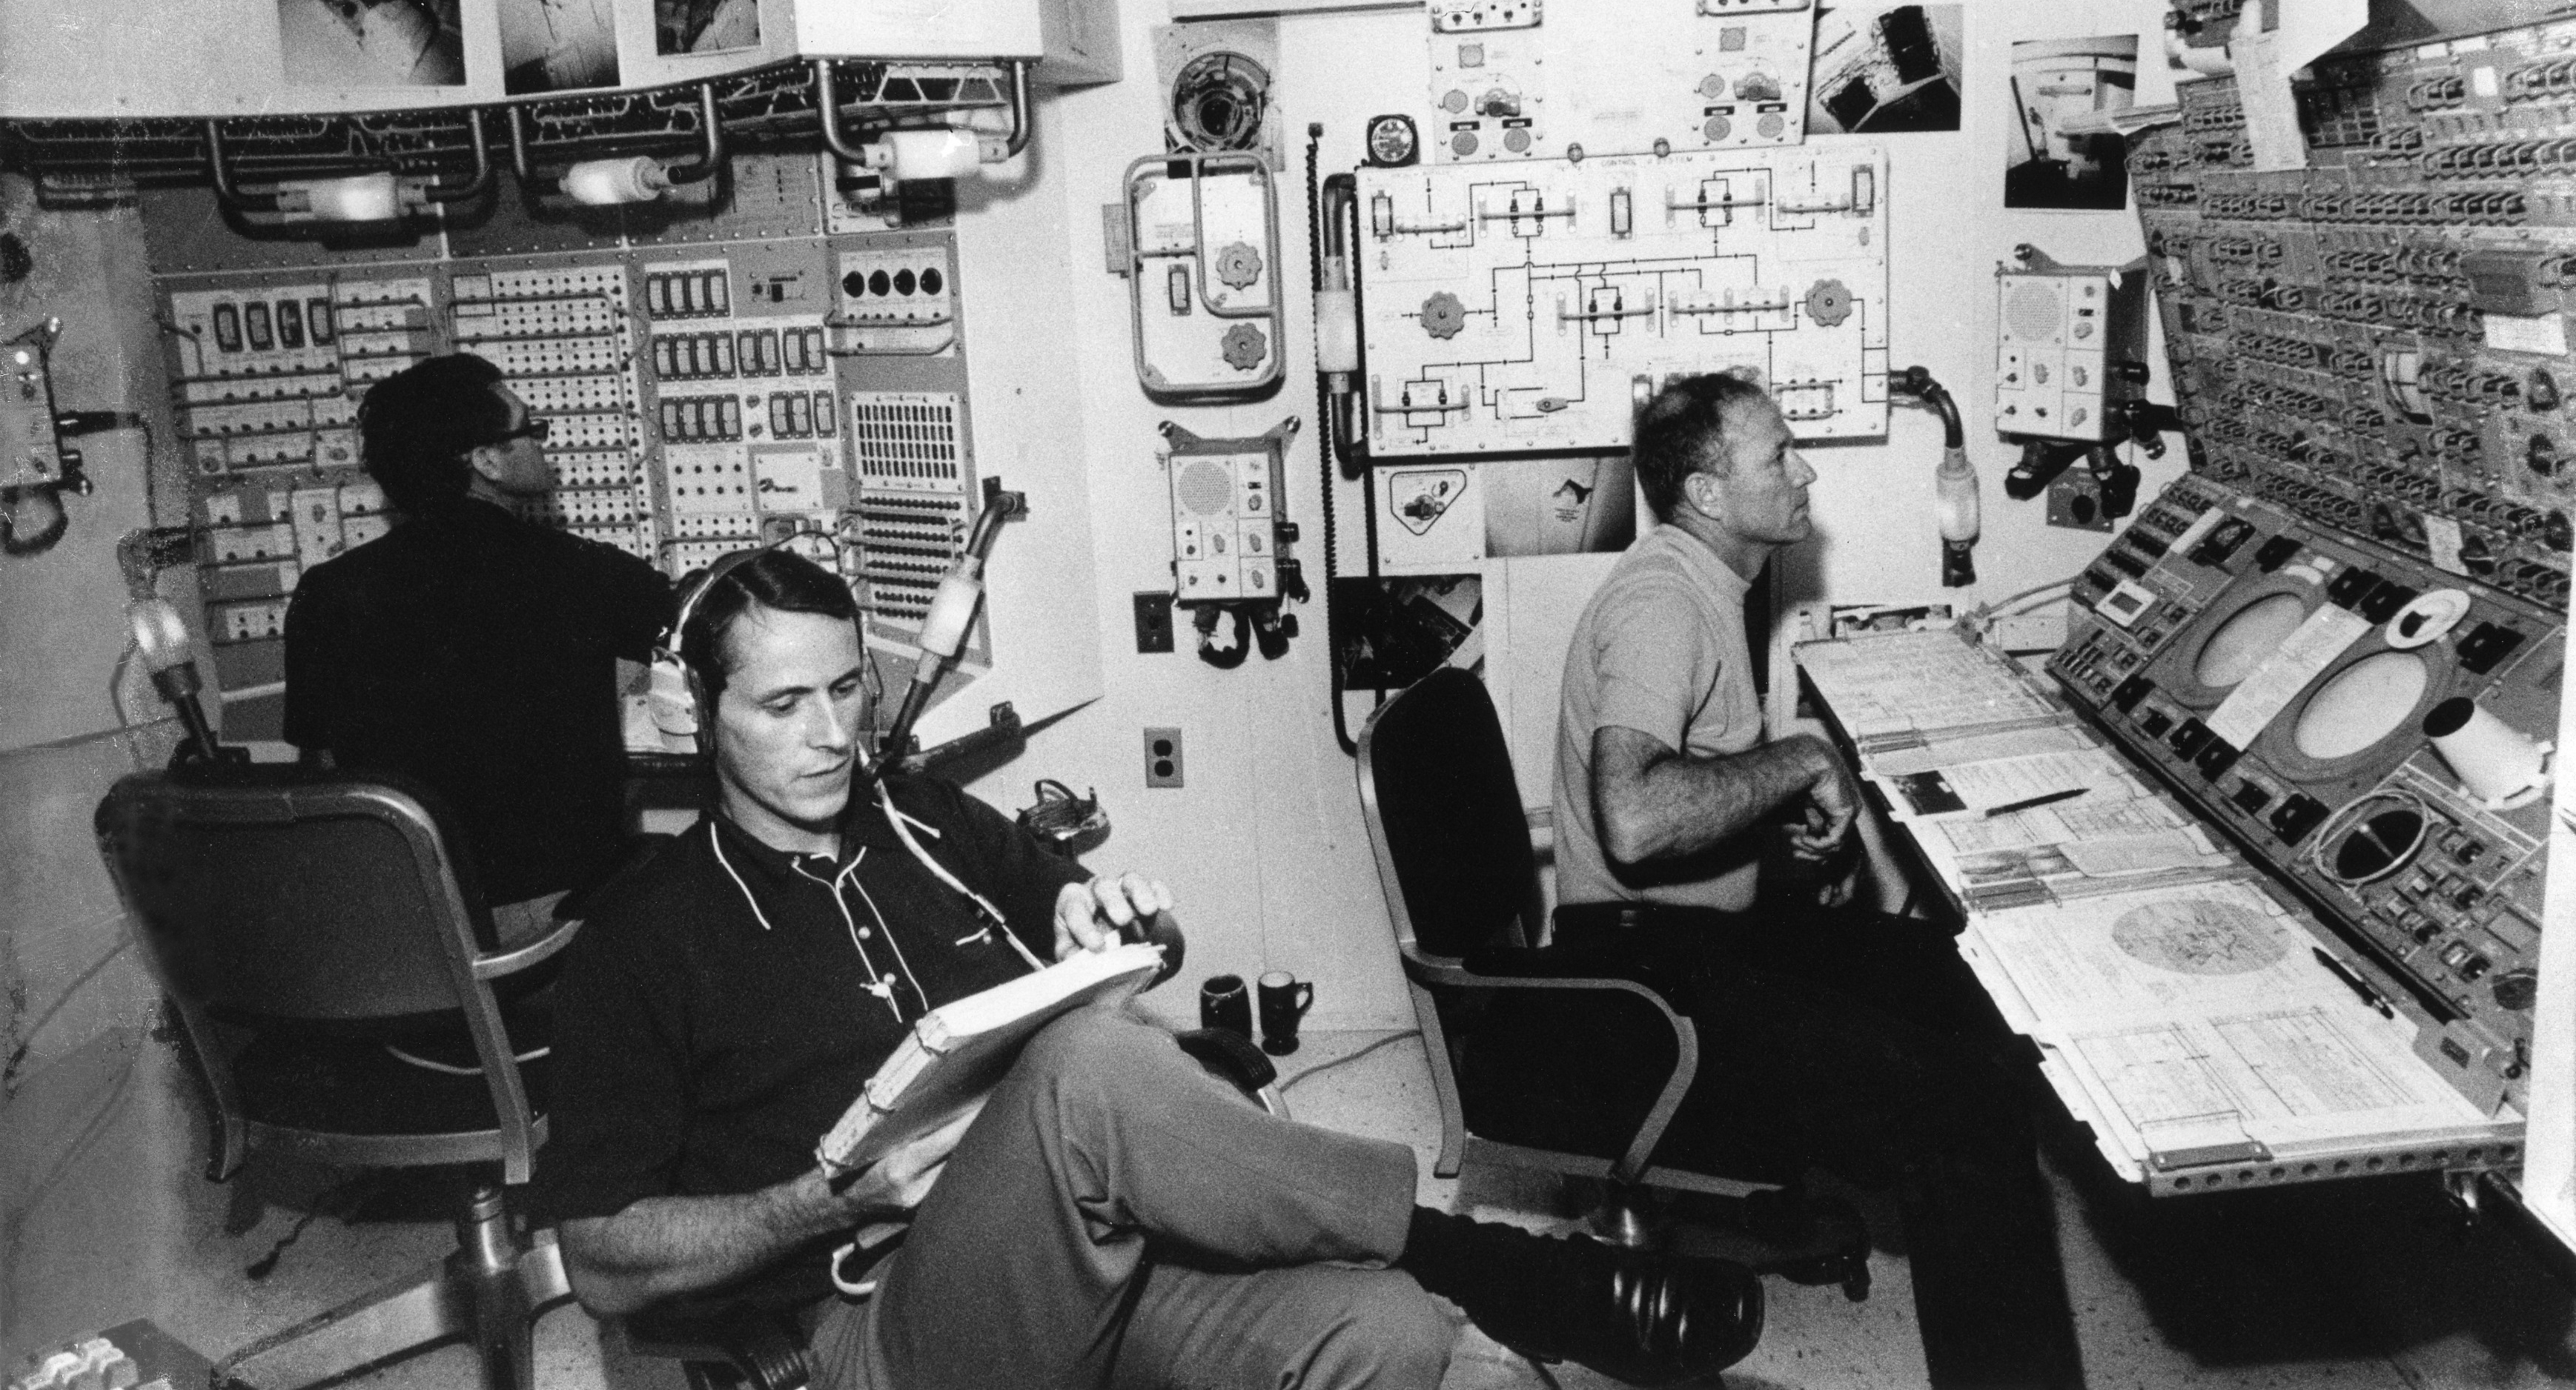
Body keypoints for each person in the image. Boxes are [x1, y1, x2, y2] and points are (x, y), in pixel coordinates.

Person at [532, 549, 1767, 1390]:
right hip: (877, 1324)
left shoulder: (927, 824)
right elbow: (599, 1256)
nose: (831, 734)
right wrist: (827, 1198)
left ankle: (1445, 1269)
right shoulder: (639, 939)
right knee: (1082, 1072)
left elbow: (1131, 970)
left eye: (850, 687)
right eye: (783, 701)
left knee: (1385, 1336)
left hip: (1080, 1245)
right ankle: (1495, 1261)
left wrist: (1113, 924)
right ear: (697, 714)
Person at [1552, 372, 2087, 1390]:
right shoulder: (1663, 604)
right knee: (1957, 1111)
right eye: (1777, 456)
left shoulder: (1705, 580)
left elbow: (1694, 786)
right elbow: (1632, 816)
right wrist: (1797, 761)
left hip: (1688, 940)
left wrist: (1775, 826)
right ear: (1708, 493)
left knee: (1962, 978)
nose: (1803, 473)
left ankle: (1980, 1251)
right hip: (1638, 985)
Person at [283, 353, 672, 935]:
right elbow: (698, 626)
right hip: (558, 916)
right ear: (486, 460)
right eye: (531, 431)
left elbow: (322, 771)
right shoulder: (576, 571)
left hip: (408, 924)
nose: (545, 448)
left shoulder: (327, 592)